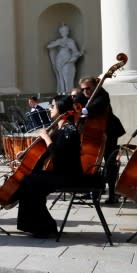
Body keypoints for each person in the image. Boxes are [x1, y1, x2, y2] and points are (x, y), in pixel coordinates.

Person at [15, 95, 83, 237]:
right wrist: (26, 153)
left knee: (30, 182)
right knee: (30, 180)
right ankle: (41, 226)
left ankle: (45, 226)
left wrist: (46, 138)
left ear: (61, 108)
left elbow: (57, 156)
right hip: (60, 173)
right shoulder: (60, 128)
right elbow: (45, 152)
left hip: (69, 175)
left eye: (53, 106)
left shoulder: (69, 129)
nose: (50, 109)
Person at [77, 76, 125, 204]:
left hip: (109, 132)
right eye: (83, 89)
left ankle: (113, 193)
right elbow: (75, 104)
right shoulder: (82, 96)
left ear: (95, 86)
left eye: (88, 88)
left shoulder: (103, 95)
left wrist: (83, 110)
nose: (85, 91)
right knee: (91, 161)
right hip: (93, 134)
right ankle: (91, 189)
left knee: (110, 163)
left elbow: (97, 106)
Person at [47, 23, 82, 94]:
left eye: (65, 31)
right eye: (62, 32)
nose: (63, 33)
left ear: (68, 32)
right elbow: (49, 46)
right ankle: (62, 92)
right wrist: (58, 43)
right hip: (59, 60)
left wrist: (72, 60)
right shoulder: (59, 41)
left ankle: (69, 93)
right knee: (60, 78)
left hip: (67, 61)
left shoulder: (70, 41)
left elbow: (76, 52)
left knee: (67, 78)